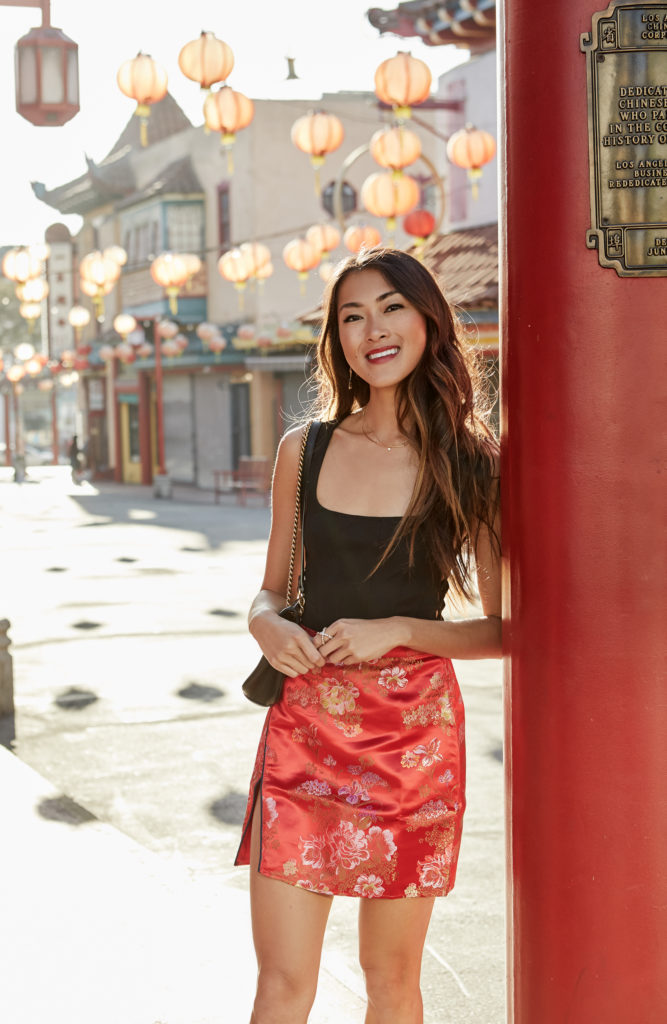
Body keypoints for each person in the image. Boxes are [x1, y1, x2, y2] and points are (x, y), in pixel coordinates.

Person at [235, 247, 501, 1024]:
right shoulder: (303, 449)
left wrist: (399, 630)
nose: (371, 329)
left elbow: (504, 631)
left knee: (391, 982)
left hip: (411, 746)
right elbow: (271, 589)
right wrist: (262, 625)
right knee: (281, 986)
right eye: (351, 316)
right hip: (303, 733)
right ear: (336, 339)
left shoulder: (470, 463)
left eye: (389, 308)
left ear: (426, 321)